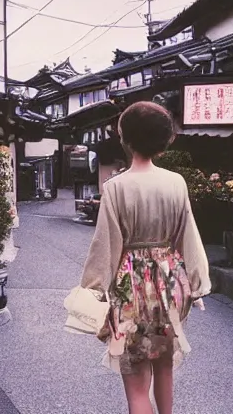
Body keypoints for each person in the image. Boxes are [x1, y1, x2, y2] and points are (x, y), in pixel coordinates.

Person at [79, 101, 210, 414]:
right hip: (171, 281)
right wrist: (197, 282)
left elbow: (106, 246)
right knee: (164, 367)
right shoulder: (176, 183)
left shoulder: (115, 188)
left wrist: (92, 291)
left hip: (132, 288)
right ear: (163, 141)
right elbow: (187, 237)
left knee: (137, 380)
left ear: (125, 139)